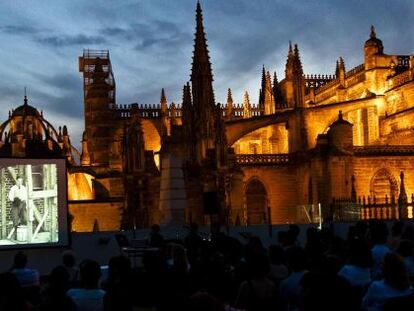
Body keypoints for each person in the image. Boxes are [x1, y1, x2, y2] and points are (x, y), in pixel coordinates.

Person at [8, 175, 28, 239]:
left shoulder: (24, 188)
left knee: (24, 218)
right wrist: (15, 198)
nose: (19, 182)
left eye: (21, 181)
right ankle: (17, 235)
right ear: (16, 181)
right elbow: (10, 197)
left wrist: (23, 201)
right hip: (15, 204)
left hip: (22, 204)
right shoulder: (13, 188)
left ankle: (24, 235)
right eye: (18, 181)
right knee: (15, 219)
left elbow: (26, 197)